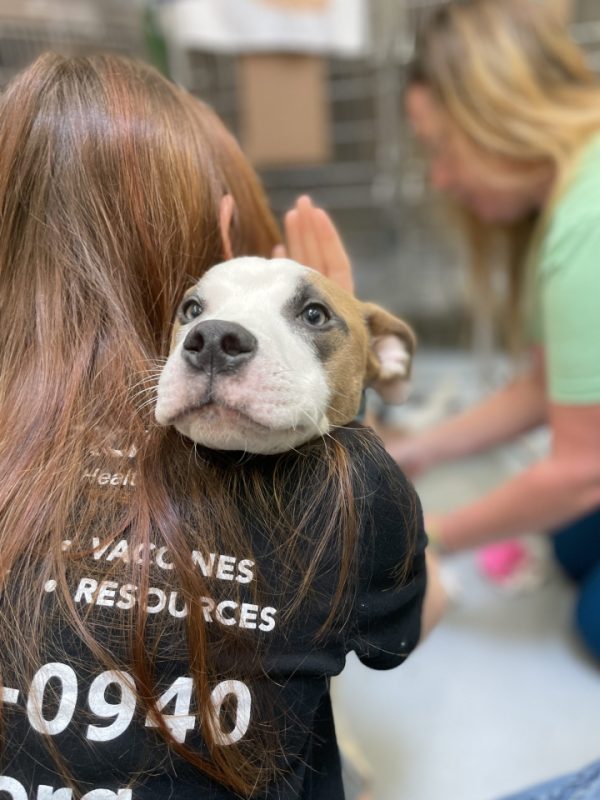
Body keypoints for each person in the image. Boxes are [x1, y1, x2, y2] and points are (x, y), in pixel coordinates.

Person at [0, 53, 444, 799]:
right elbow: (388, 639)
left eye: (308, 315)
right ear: (226, 224)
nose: (215, 336)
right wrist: (348, 387)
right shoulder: (362, 488)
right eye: (196, 311)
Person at [386, 0, 600, 661]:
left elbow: (581, 470)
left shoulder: (585, 227)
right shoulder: (568, 190)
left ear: (497, 116)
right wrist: (420, 450)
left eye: (442, 149)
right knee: (568, 549)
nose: (441, 179)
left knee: (593, 623)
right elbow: (551, 386)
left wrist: (428, 537)